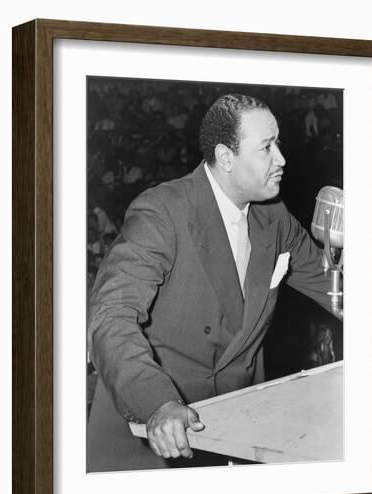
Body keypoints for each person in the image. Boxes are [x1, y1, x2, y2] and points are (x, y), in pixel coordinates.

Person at [87, 94, 341, 472]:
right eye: (267, 148)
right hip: (150, 439)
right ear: (225, 158)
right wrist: (157, 403)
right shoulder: (163, 212)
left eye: (279, 144)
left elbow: (338, 290)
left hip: (234, 437)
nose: (282, 159)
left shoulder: (275, 218)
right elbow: (111, 316)